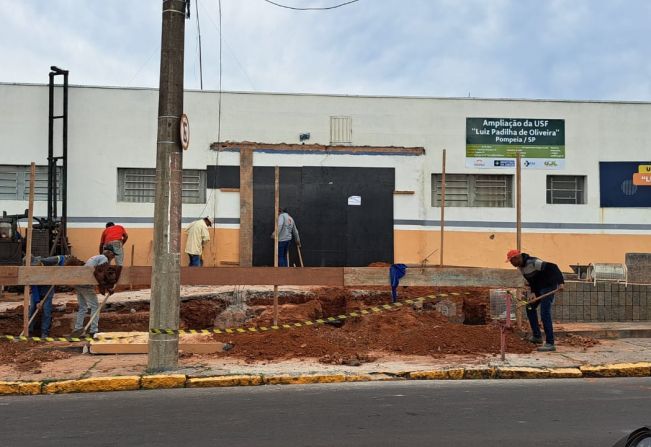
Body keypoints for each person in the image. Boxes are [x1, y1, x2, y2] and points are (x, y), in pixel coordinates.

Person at [506, 249, 565, 352]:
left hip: (548, 286)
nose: (511, 264)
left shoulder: (533, 262)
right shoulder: (521, 268)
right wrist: (532, 293)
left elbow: (553, 267)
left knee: (544, 313)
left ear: (516, 258)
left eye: (511, 261)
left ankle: (550, 343)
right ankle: (537, 336)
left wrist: (560, 282)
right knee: (530, 307)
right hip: (538, 288)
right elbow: (532, 280)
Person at [71, 247, 116, 337]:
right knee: (95, 306)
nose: (113, 257)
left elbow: (98, 274)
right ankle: (93, 331)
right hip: (85, 285)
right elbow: (98, 274)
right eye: (113, 255)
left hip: (79, 283)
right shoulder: (104, 258)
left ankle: (78, 329)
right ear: (108, 252)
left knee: (83, 307)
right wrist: (107, 288)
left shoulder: (96, 257)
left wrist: (105, 288)